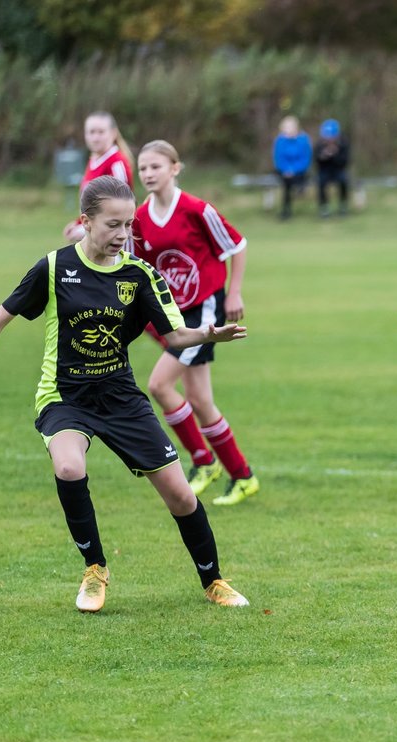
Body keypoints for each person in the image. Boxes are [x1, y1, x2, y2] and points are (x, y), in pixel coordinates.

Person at [0, 176, 251, 613]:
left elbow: (175, 335)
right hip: (64, 396)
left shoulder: (139, 274)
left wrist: (208, 333)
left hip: (121, 397)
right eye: (113, 225)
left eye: (129, 226)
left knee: (181, 495)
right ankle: (94, 569)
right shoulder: (53, 267)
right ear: (85, 222)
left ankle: (213, 580)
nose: (123, 236)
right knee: (69, 466)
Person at [134, 140, 260, 507]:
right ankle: (243, 475)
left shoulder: (196, 209)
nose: (148, 174)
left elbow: (237, 245)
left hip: (204, 312)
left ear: (175, 168)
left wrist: (234, 293)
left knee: (159, 384)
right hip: (173, 315)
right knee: (201, 401)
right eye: (143, 168)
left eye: (155, 166)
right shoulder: (140, 217)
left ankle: (204, 462)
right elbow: (135, 263)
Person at [63, 111, 134, 242]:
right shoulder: (94, 160)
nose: (95, 137)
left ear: (113, 133)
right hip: (95, 236)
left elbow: (119, 208)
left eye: (101, 132)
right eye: (91, 132)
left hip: (113, 240)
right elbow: (92, 203)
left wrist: (85, 229)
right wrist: (79, 223)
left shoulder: (116, 163)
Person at [272, 116, 312, 220]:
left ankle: (300, 191)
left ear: (296, 128)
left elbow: (305, 159)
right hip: (284, 172)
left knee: (294, 180)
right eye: (286, 128)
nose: (288, 130)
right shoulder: (280, 141)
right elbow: (278, 159)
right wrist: (286, 170)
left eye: (290, 127)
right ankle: (286, 211)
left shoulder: (303, 140)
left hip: (299, 171)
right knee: (286, 183)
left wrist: (293, 170)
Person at [315, 118, 351, 218]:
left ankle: (343, 206)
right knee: (321, 182)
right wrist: (324, 156)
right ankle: (324, 207)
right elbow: (317, 162)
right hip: (324, 171)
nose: (329, 139)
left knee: (343, 180)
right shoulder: (319, 144)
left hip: (338, 170)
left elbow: (345, 162)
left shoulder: (343, 143)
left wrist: (335, 155)